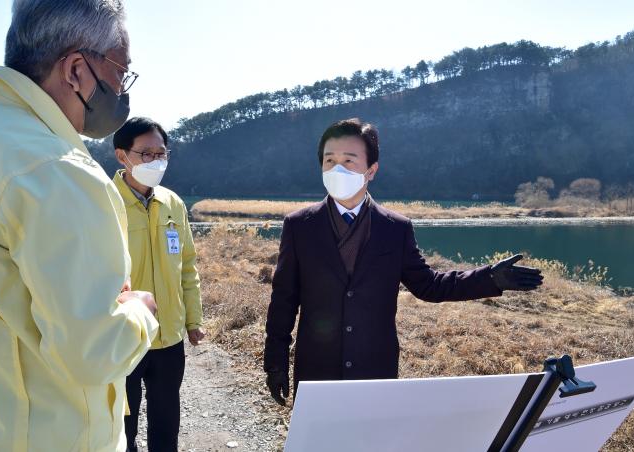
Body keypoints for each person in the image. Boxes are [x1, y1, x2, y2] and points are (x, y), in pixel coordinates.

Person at [264, 118, 544, 405]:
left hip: (375, 367)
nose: (338, 169)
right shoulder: (300, 226)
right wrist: (275, 361)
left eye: (348, 160)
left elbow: (428, 285)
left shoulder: (395, 228)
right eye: (329, 161)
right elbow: (284, 298)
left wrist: (490, 278)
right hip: (316, 368)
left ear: (371, 170)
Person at [0, 1, 159, 451]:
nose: (121, 91)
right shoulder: (56, 169)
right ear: (77, 70)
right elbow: (93, 351)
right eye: (121, 72)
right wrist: (142, 312)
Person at [112, 117, 205, 452]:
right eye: (146, 154)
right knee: (122, 425)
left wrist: (193, 320)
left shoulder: (172, 203)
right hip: (124, 335)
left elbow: (187, 266)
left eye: (161, 153)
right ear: (122, 155)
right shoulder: (105, 202)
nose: (155, 161)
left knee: (166, 421)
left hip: (168, 335)